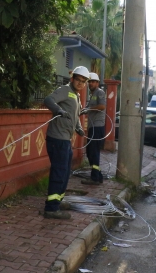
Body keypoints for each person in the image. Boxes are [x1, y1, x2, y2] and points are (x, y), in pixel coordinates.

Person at [41, 66, 89, 219]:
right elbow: (48, 100)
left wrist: (79, 128)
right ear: (72, 78)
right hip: (57, 139)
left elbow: (74, 116)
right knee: (59, 172)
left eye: (83, 81)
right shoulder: (64, 90)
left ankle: (58, 200)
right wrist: (57, 110)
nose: (80, 83)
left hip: (65, 140)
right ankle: (51, 208)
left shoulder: (76, 96)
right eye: (78, 80)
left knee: (65, 172)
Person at [81, 72, 106, 185]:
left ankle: (95, 177)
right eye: (89, 81)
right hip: (93, 127)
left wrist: (89, 110)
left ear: (97, 83)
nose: (90, 83)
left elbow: (102, 106)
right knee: (90, 152)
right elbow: (91, 107)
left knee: (93, 152)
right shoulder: (92, 94)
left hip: (97, 126)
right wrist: (84, 110)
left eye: (93, 81)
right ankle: (98, 175)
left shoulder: (99, 92)